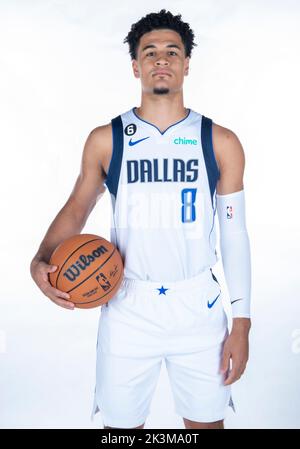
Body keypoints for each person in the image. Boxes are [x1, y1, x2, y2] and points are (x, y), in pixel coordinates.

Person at [30, 9, 251, 430]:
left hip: (198, 308)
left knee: (207, 425)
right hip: (126, 303)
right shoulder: (107, 139)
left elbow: (234, 232)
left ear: (186, 64)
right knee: (121, 431)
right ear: (136, 66)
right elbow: (78, 207)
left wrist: (242, 323)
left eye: (172, 51)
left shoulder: (219, 141)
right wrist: (40, 259)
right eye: (150, 52)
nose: (161, 59)